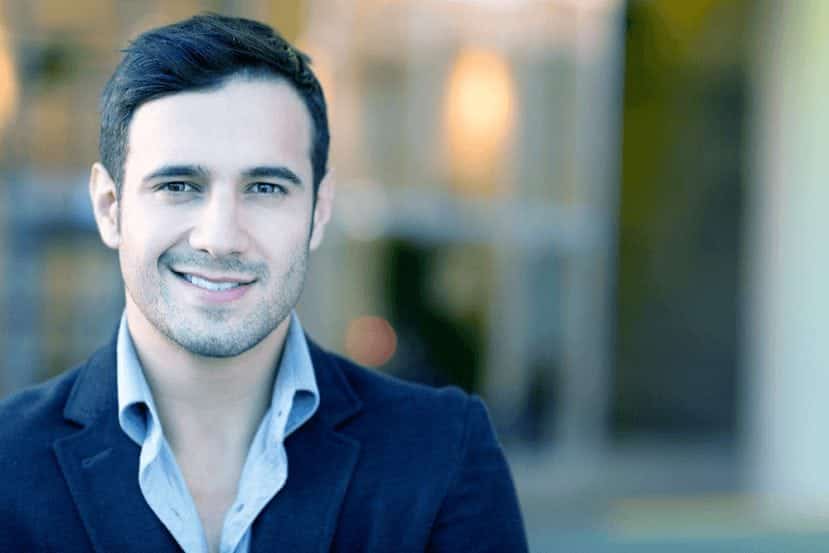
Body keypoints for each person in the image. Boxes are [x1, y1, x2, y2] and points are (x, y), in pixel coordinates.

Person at [0, 13, 528, 553]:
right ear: (110, 208)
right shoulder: (6, 463)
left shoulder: (442, 455)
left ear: (319, 211)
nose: (220, 238)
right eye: (179, 185)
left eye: (266, 188)